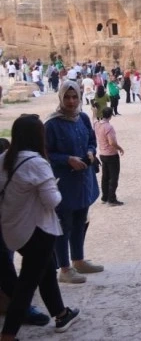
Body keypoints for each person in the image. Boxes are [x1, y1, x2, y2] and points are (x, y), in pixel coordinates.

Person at [0, 115, 81, 339]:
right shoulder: (36, 163)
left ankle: (61, 314)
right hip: (37, 231)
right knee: (26, 285)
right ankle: (7, 334)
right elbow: (52, 201)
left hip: (13, 229)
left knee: (46, 270)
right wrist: (54, 187)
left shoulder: (5, 158)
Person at [45, 81, 103, 284]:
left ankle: (78, 260)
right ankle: (64, 268)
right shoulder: (51, 124)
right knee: (64, 225)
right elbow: (45, 153)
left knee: (80, 221)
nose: (71, 101)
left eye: (74, 97)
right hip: (64, 183)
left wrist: (90, 152)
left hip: (84, 180)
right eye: (67, 97)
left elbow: (92, 141)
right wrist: (67, 159)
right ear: (61, 98)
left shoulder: (83, 118)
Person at [94, 107, 125, 206]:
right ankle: (112, 199)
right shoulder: (108, 127)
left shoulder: (97, 124)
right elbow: (112, 142)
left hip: (102, 153)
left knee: (105, 176)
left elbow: (94, 118)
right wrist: (120, 148)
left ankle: (105, 197)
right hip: (111, 154)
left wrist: (94, 110)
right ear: (111, 115)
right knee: (113, 177)